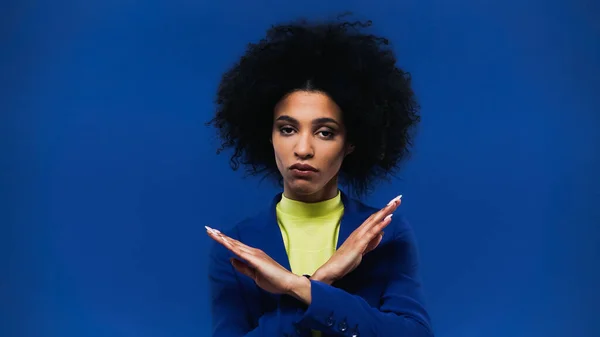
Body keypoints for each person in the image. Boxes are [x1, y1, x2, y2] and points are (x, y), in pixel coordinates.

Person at [205, 16, 433, 337]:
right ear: (268, 135)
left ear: (351, 142)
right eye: (287, 129)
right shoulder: (238, 248)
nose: (303, 148)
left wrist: (298, 288)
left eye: (325, 132)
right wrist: (319, 282)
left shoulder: (384, 235)